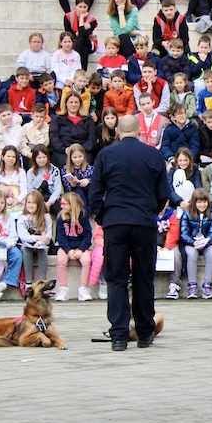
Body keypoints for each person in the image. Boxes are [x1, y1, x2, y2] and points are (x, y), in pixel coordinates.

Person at [89, 114, 172, 350]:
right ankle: (144, 332)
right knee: (143, 278)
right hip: (144, 222)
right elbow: (163, 194)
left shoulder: (106, 154)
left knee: (116, 279)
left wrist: (104, 217)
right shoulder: (153, 154)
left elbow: (95, 193)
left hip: (116, 222)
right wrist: (150, 212)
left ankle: (118, 335)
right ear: (139, 131)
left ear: (117, 131)